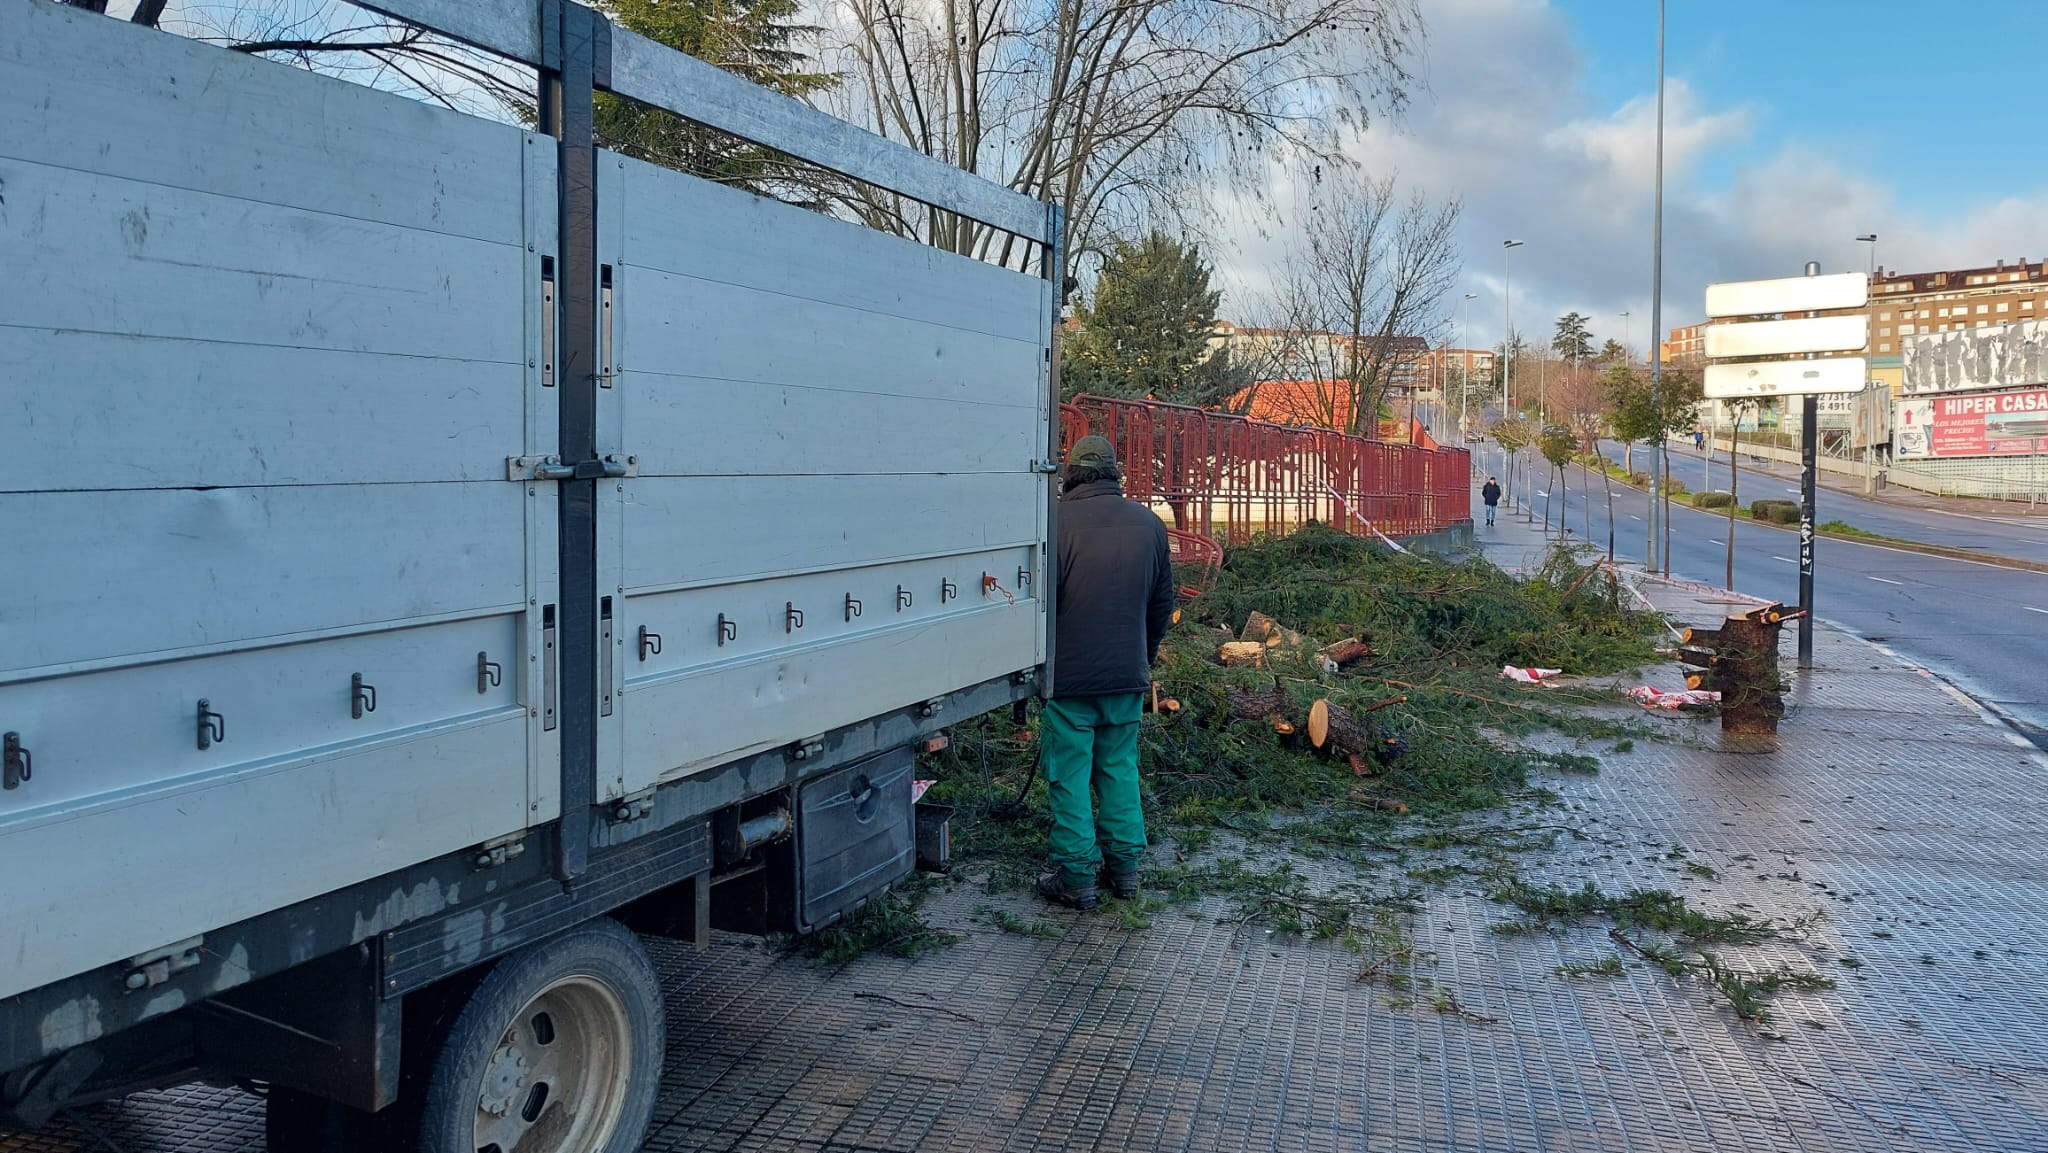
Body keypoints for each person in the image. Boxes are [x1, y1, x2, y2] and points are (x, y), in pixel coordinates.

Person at [1036, 435, 1176, 910]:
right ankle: (1125, 870)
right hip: (1127, 675)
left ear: (1070, 474)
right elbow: (1162, 606)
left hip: (1070, 680)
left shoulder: (1053, 524)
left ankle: (1076, 877)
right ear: (1114, 474)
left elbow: (1040, 606)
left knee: (1070, 773)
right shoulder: (1150, 525)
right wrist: (1146, 655)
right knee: (1119, 769)